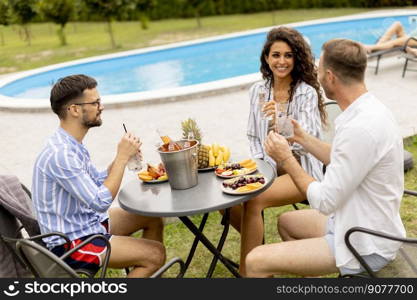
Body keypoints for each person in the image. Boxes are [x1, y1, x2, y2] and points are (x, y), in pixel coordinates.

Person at [245, 39, 406, 277]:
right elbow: (341, 158)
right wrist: (301, 137)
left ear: (330, 76)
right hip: (353, 219)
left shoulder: (361, 128)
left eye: (319, 69)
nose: (317, 75)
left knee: (255, 260)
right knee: (286, 222)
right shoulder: (368, 110)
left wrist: (287, 160)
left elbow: (325, 201)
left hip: (362, 242)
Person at [32, 74, 165, 278]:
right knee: (155, 255)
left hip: (86, 224)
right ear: (75, 109)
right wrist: (121, 159)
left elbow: (96, 180)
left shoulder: (70, 145)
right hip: (71, 244)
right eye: (95, 102)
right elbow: (100, 201)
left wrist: (122, 158)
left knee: (151, 217)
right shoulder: (61, 155)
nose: (101, 106)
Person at [223, 26, 327, 276]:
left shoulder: (305, 93)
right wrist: (263, 167)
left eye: (288, 55)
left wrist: (279, 121)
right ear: (267, 58)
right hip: (269, 168)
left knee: (255, 199)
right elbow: (252, 135)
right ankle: (261, 257)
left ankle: (249, 273)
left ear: (297, 59)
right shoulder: (257, 91)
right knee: (228, 196)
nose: (281, 61)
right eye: (276, 55)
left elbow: (306, 143)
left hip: (301, 171)